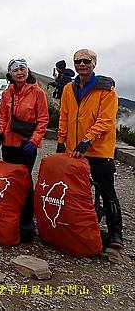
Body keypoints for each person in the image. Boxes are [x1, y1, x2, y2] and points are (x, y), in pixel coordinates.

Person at [56, 49, 123, 249]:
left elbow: (106, 120)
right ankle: (79, 228)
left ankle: (115, 233)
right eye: (78, 61)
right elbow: (64, 116)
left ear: (94, 63)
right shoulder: (69, 88)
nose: (82, 64)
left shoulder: (106, 89)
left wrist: (87, 140)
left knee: (106, 191)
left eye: (86, 61)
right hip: (74, 150)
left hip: (98, 150)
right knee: (77, 191)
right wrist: (61, 141)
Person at [0, 58, 49, 242]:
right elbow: (2, 115)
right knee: (9, 182)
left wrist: (34, 140)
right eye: (15, 70)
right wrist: (0, 132)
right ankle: (9, 217)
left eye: (22, 69)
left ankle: (26, 222)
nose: (19, 72)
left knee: (25, 183)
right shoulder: (8, 93)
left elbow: (43, 120)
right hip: (9, 142)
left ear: (27, 70)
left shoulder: (38, 93)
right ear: (10, 73)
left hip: (27, 145)